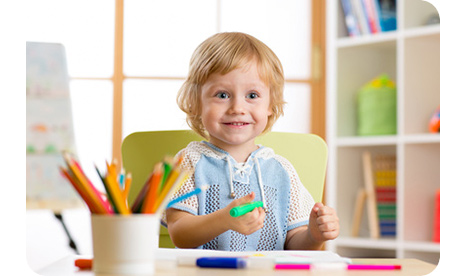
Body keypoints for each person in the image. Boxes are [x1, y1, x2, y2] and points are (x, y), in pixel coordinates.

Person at [163, 32, 339, 251]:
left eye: (252, 96)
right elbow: (179, 233)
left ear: (270, 105)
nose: (237, 108)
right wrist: (224, 219)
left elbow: (295, 245)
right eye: (222, 95)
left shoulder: (282, 170)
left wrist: (314, 236)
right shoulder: (188, 163)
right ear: (196, 102)